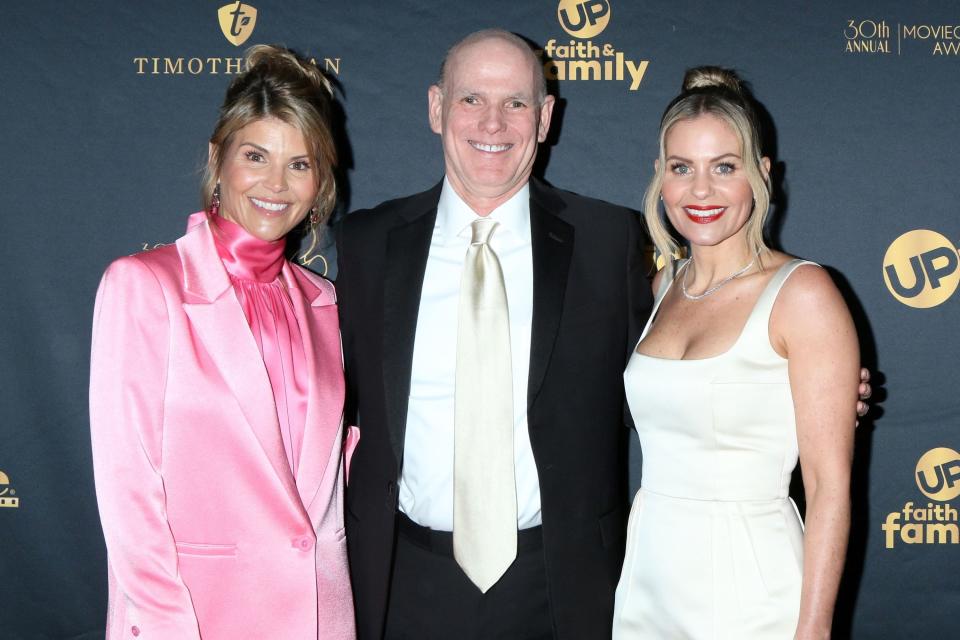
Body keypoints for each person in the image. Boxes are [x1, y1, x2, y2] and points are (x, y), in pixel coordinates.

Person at [336, 29, 649, 639]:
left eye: (516, 103)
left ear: (546, 117)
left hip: (564, 585)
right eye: (471, 99)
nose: (493, 122)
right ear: (435, 108)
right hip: (403, 581)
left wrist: (786, 384)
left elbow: (667, 378)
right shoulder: (365, 244)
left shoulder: (610, 241)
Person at [89, 45, 356, 639]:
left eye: (300, 163)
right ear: (219, 158)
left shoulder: (325, 304)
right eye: (256, 156)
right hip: (196, 619)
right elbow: (128, 490)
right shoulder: (145, 286)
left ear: (321, 180)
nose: (275, 184)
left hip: (319, 619)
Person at [612, 67, 858, 639]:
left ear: (761, 175)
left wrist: (814, 629)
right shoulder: (659, 289)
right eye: (683, 168)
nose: (701, 191)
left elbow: (828, 489)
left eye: (725, 167)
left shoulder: (803, 294)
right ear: (660, 177)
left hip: (754, 588)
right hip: (649, 579)